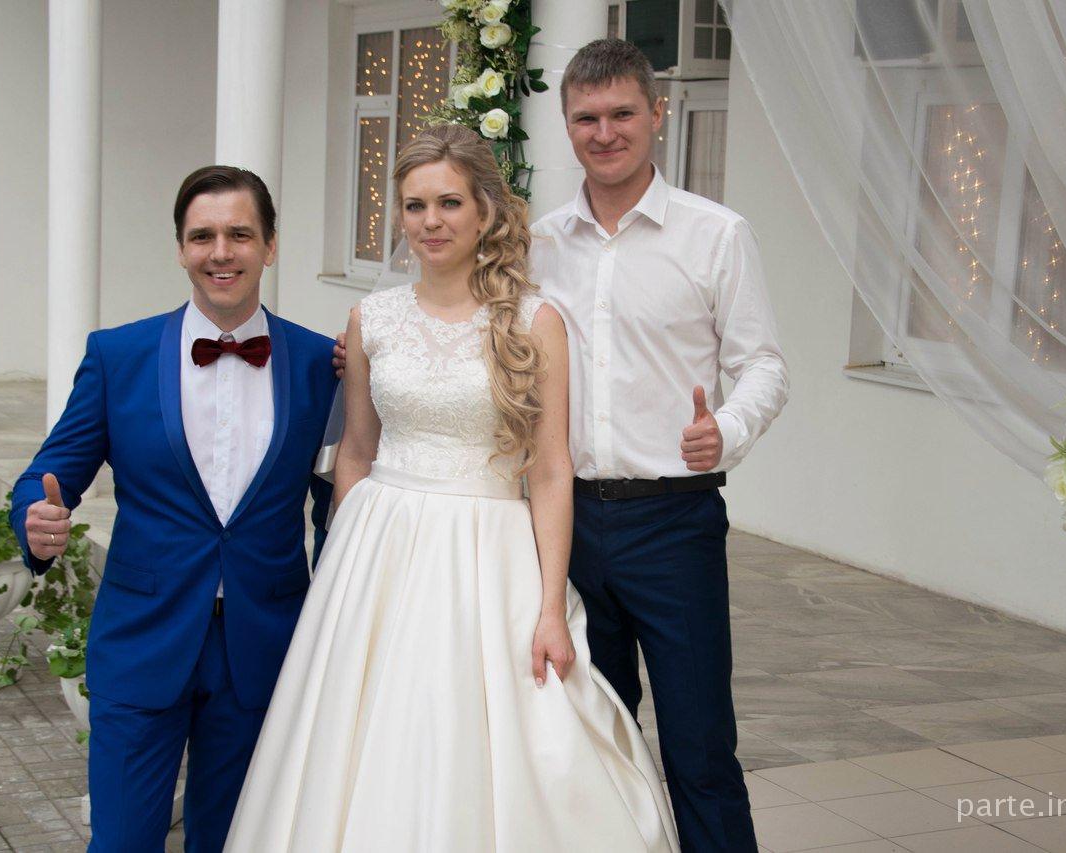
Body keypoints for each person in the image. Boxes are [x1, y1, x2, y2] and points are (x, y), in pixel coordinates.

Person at [224, 124, 678, 852]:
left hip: (489, 553)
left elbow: (550, 468)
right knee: (367, 734)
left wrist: (551, 606)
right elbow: (357, 451)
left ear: (484, 210)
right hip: (378, 548)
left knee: (492, 727)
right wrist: (342, 566)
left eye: (449, 203)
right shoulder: (372, 318)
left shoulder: (536, 323)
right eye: (415, 205)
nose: (430, 221)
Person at [10, 166, 337, 852]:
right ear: (181, 248)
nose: (221, 252)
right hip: (143, 638)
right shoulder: (118, 355)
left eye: (239, 234)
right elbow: (49, 471)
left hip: (263, 646)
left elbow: (336, 501)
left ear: (270, 246)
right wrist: (36, 519)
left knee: (234, 841)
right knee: (122, 840)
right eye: (202, 236)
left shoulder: (320, 362)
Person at [532, 40, 789, 851]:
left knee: (699, 745)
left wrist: (727, 430)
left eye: (622, 114)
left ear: (657, 114)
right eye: (587, 118)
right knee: (587, 741)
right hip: (566, 526)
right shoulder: (540, 245)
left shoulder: (716, 235)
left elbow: (764, 364)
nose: (605, 132)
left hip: (674, 523)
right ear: (567, 124)